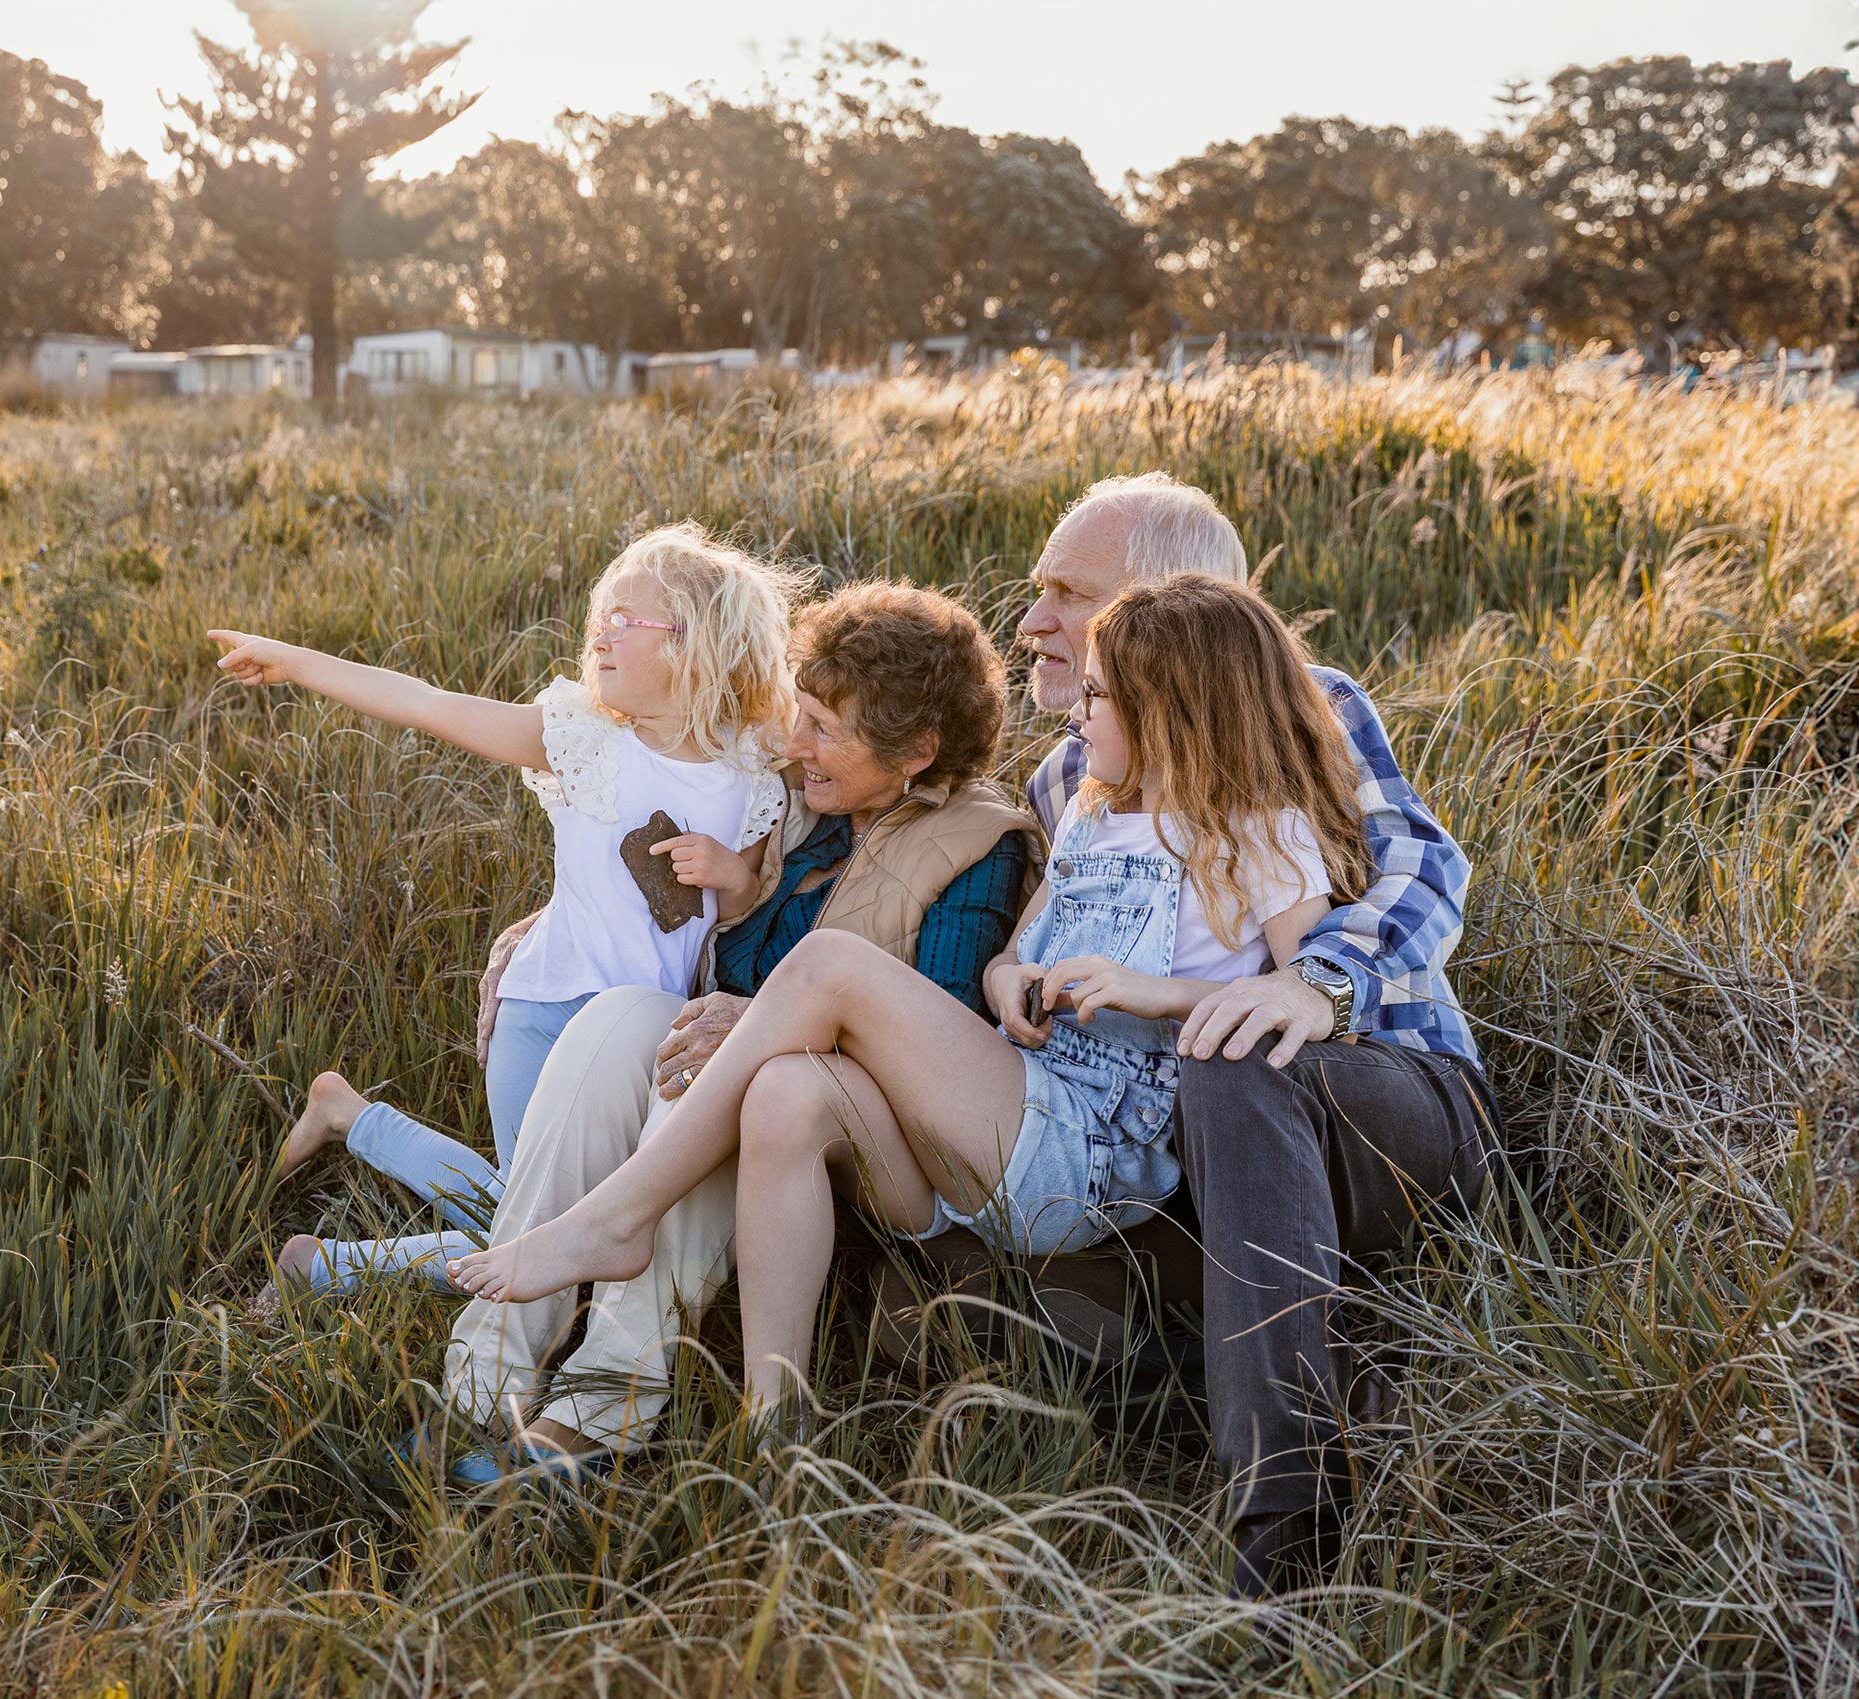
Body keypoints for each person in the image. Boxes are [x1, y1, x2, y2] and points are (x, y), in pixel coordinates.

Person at [476, 473, 1500, 1599]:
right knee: (787, 1095)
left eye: (1071, 595)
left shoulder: (1283, 712)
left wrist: (1316, 985)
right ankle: (780, 1447)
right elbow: (990, 904)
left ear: (1172, 609)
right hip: (1067, 1108)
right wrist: (587, 913)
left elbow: (1417, 869)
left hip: (1345, 1080)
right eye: (1039, 592)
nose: (1035, 624)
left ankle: (1281, 1524)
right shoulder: (1079, 773)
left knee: (1216, 1067)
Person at [449, 574, 1375, 1394]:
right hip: (1001, 1121)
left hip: (1096, 1154)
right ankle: (774, 1425)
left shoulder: (1263, 832)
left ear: (1175, 710)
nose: (1076, 715)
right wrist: (1012, 977)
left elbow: (1305, 992)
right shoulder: (1094, 816)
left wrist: (1155, 992)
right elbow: (1016, 950)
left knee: (831, 968)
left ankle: (618, 1214)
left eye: (1097, 698)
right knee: (784, 1092)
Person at [423, 582, 1037, 1481]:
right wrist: (541, 925)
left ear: (916, 750)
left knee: (735, 1071)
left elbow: (935, 1038)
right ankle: (486, 1374)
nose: (796, 746)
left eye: (827, 729)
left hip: (883, 1144)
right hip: (744, 1073)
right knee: (622, 1018)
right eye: (802, 714)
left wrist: (760, 1021)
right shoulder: (801, 806)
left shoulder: (981, 845)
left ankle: (606, 1404)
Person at [208, 522, 799, 1294]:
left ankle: (346, 1128)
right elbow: (427, 703)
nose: (599, 638)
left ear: (695, 643)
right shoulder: (586, 742)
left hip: (643, 1037)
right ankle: (321, 1266)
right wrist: (296, 661)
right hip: (544, 1012)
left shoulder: (750, 774)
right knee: (540, 1228)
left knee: (547, 1216)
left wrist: (731, 873)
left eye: (624, 622)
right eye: (597, 621)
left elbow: (743, 906)